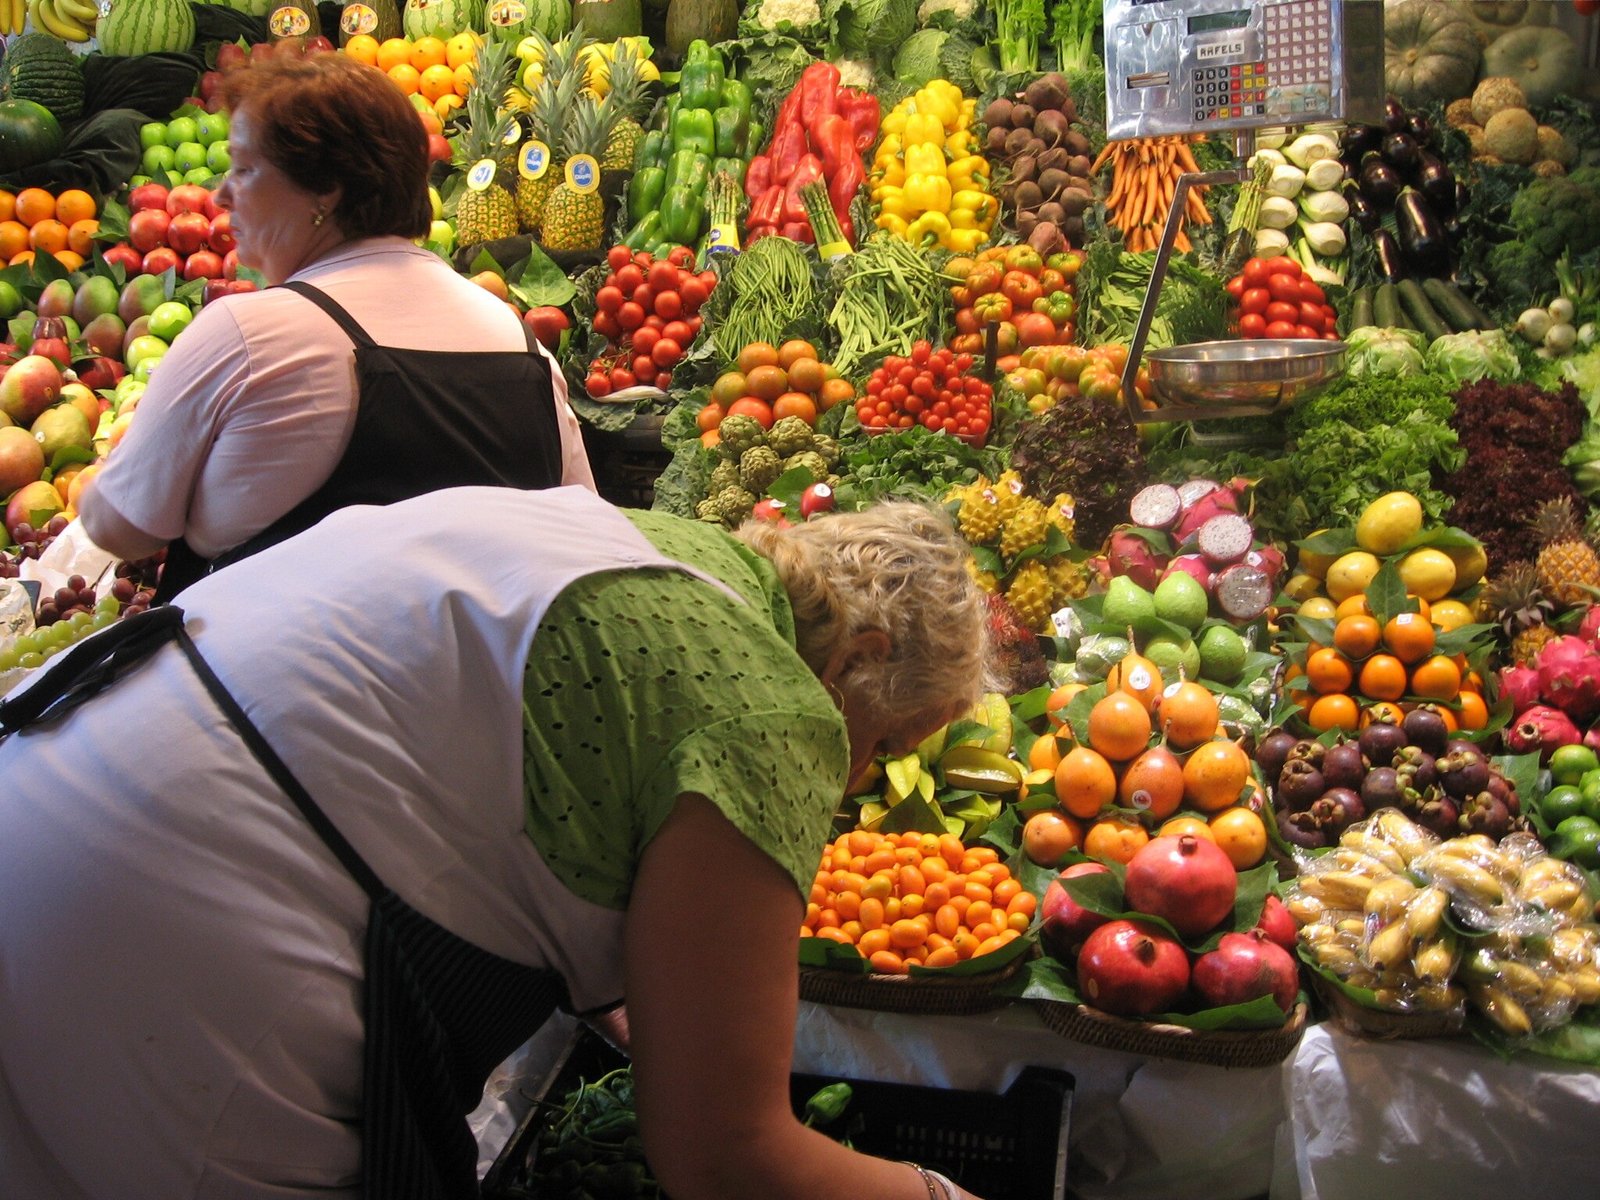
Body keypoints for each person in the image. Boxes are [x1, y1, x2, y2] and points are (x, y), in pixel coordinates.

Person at [0, 485, 993, 1200]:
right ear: (862, 658)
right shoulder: (771, 716)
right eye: (891, 741)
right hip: (177, 961)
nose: (862, 778)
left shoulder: (638, 543)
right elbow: (723, 1157)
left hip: (52, 793)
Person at [77, 53, 594, 602]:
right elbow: (578, 520)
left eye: (245, 168)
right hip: (493, 683)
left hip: (281, 684)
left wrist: (123, 458)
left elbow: (120, 527)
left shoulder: (246, 334)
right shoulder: (520, 342)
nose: (222, 195)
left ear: (325, 189)